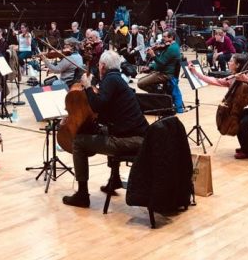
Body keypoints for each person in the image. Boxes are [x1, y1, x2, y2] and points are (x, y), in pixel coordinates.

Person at [62, 50, 149, 208]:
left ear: (102, 66)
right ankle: (114, 180)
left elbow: (98, 105)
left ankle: (82, 195)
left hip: (131, 140)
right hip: (141, 136)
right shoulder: (117, 79)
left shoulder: (110, 81)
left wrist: (88, 86)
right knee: (104, 130)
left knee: (79, 142)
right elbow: (105, 114)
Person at [189, 53, 248, 159]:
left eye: (231, 61)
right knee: (237, 119)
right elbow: (215, 81)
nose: (228, 62)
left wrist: (247, 79)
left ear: (237, 65)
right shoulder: (234, 78)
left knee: (244, 122)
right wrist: (196, 73)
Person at [137, 30, 184, 111]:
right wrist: (150, 68)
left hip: (165, 74)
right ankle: (160, 94)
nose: (163, 39)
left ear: (171, 37)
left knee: (140, 83)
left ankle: (160, 95)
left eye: (165, 37)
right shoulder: (170, 46)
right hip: (162, 71)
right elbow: (162, 61)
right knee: (142, 80)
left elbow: (161, 63)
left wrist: (153, 55)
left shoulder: (172, 48)